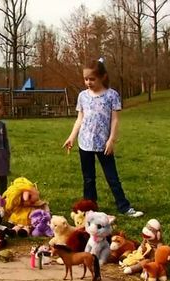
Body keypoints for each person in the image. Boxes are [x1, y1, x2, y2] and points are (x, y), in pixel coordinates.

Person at [63, 59, 143, 217]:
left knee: (112, 178)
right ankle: (90, 209)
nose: (88, 82)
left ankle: (124, 207)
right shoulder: (82, 96)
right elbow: (80, 118)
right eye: (86, 79)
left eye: (92, 79)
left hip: (104, 145)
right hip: (85, 144)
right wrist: (72, 137)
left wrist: (111, 140)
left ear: (102, 77)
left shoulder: (112, 96)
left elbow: (114, 119)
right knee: (88, 179)